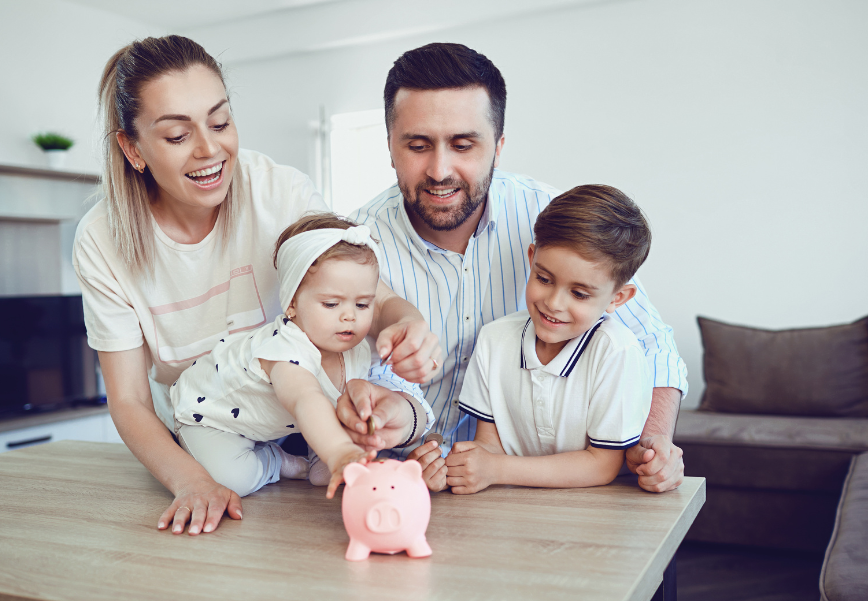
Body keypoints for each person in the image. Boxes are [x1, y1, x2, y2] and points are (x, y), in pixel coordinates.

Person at [73, 35, 440, 536]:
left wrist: (406, 321)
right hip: (207, 434)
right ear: (132, 148)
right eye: (178, 136)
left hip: (300, 423)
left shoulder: (279, 191)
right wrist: (191, 481)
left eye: (220, 122)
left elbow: (362, 293)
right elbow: (129, 399)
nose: (210, 149)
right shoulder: (102, 240)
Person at [344, 42, 687, 493]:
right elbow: (349, 379)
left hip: (533, 487)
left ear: (498, 147)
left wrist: (655, 440)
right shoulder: (354, 246)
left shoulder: (549, 217)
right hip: (399, 486)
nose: (440, 170)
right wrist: (405, 439)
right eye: (418, 145)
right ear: (390, 146)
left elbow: (652, 343)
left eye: (463, 145)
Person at [445, 185, 653, 493]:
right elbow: (488, 446)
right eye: (544, 279)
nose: (554, 303)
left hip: (592, 515)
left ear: (618, 297)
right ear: (532, 258)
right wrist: (462, 465)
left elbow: (602, 464)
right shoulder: (494, 340)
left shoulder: (616, 352)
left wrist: (496, 469)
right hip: (509, 511)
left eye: (579, 293)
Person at [172, 214, 394, 500]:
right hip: (210, 418)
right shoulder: (285, 348)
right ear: (291, 304)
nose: (349, 315)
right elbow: (306, 399)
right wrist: (339, 450)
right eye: (331, 303)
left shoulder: (358, 348)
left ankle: (317, 458)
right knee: (232, 480)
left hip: (273, 421)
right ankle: (276, 461)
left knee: (328, 467)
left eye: (363, 304)